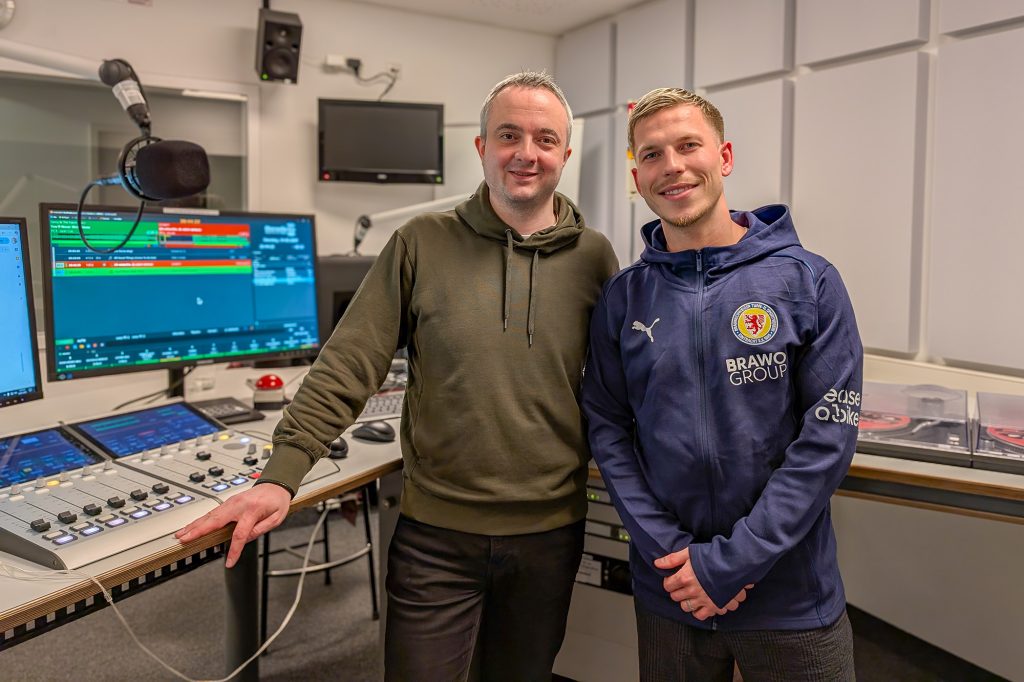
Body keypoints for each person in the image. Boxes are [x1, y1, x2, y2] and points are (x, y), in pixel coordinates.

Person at [176, 71, 619, 681]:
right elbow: (349, 363)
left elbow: (616, 389)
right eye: (509, 135)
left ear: (564, 154)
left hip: (551, 535)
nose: (526, 153)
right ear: (482, 147)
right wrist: (281, 476)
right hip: (437, 536)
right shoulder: (420, 242)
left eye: (545, 139)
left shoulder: (596, 257)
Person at [581, 87, 862, 681]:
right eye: (652, 155)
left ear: (725, 156)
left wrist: (733, 563)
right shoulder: (624, 297)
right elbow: (607, 427)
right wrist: (671, 554)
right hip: (671, 589)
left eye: (689, 146)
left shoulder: (808, 281)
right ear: (637, 175)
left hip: (788, 594)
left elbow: (826, 441)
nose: (673, 166)